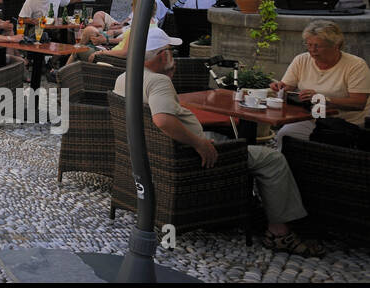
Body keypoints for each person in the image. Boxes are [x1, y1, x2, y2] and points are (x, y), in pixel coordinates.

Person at [115, 26, 323, 256]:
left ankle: (244, 200)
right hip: (189, 158)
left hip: (154, 157)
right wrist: (199, 143)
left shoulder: (125, 77)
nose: (172, 56)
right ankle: (279, 232)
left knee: (226, 139)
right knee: (271, 158)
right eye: (170, 51)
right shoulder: (158, 82)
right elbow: (162, 120)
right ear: (164, 55)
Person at [270, 20, 370, 145]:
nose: (312, 50)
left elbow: (358, 103)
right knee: (284, 135)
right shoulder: (302, 60)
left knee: (324, 146)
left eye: (317, 46)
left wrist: (324, 99)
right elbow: (287, 87)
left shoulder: (356, 65)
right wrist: (280, 88)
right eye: (309, 44)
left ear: (336, 45)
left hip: (346, 124)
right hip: (312, 119)